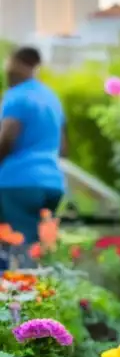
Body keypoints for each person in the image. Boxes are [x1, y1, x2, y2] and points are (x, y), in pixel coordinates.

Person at [0, 46, 66, 262]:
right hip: (52, 184)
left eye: (9, 64)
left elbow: (7, 138)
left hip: (18, 184)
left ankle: (25, 292)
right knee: (40, 247)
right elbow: (64, 146)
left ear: (19, 64)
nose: (6, 70)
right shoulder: (51, 97)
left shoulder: (17, 96)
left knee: (20, 247)